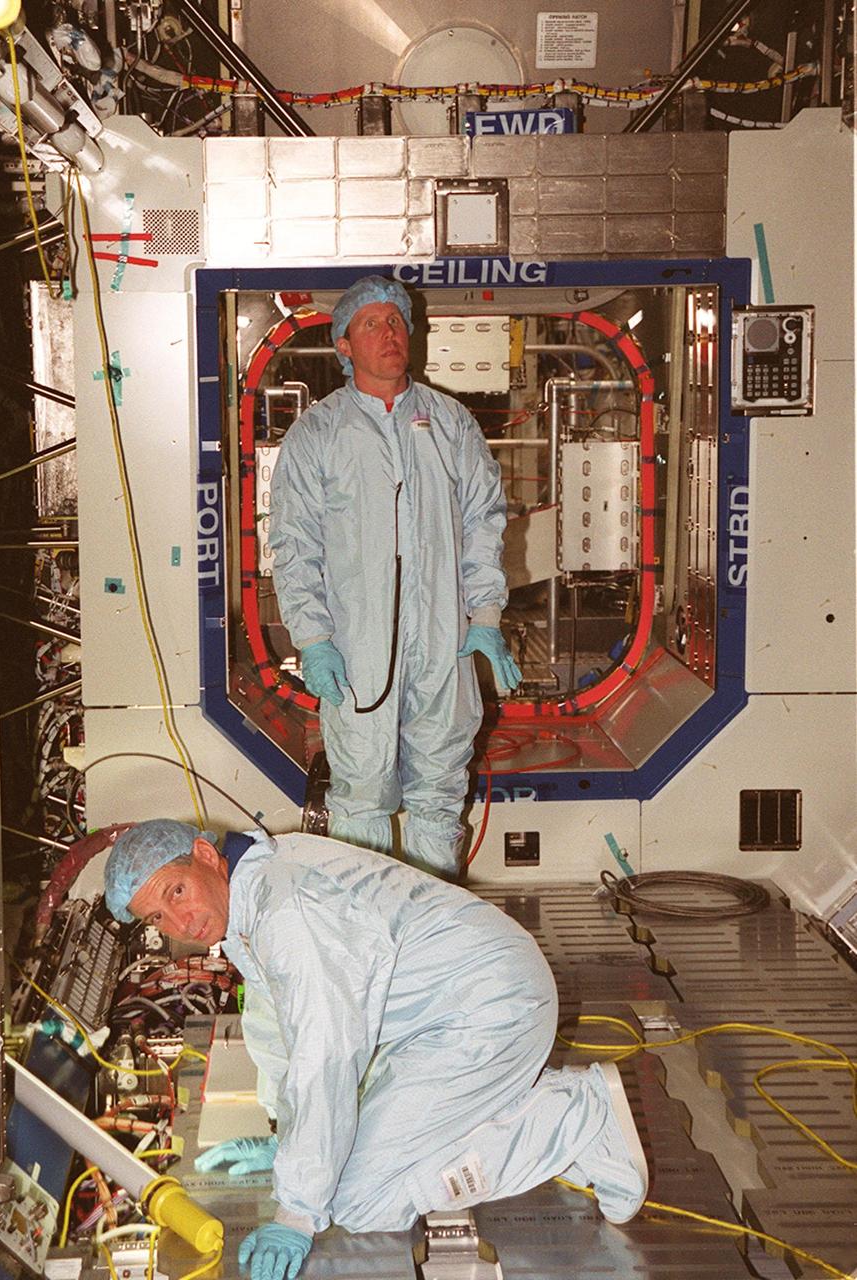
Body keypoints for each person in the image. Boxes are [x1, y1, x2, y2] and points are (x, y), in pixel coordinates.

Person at [104, 820, 649, 1280]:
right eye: (156, 917)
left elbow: (325, 1054)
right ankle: (537, 1122)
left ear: (204, 855)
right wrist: (289, 1140)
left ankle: (577, 1115)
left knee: (359, 1199)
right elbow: (281, 1032)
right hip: (441, 1019)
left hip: (489, 1012)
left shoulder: (287, 907)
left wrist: (295, 1211)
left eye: (176, 892)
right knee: (331, 1170)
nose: (180, 924)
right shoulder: (253, 888)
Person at [269, 275, 522, 881]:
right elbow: (292, 542)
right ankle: (367, 939)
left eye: (396, 321)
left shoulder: (450, 423)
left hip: (442, 642)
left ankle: (433, 939)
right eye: (371, 324)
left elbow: (484, 522)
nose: (389, 332)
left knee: (439, 793)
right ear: (345, 347)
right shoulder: (318, 434)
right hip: (356, 650)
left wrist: (484, 619)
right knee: (360, 797)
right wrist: (313, 637)